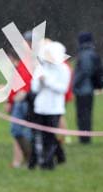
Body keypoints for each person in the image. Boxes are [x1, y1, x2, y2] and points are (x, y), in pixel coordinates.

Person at [31, 40, 71, 169]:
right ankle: (52, 158)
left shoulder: (64, 69)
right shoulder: (41, 67)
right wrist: (39, 81)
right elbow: (34, 88)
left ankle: (48, 163)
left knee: (50, 136)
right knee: (40, 135)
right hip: (40, 107)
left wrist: (47, 81)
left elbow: (62, 88)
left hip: (54, 108)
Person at [73, 32, 103, 144]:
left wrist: (75, 83)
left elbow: (85, 70)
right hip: (87, 89)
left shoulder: (85, 54)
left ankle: (84, 139)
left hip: (83, 90)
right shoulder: (90, 53)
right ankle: (84, 137)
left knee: (83, 115)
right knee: (85, 114)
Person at [7, 50, 33, 168]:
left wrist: (10, 101)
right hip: (22, 103)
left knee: (23, 133)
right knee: (19, 132)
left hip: (25, 103)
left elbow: (19, 89)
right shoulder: (23, 66)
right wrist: (10, 100)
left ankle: (26, 160)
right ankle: (20, 161)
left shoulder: (25, 67)